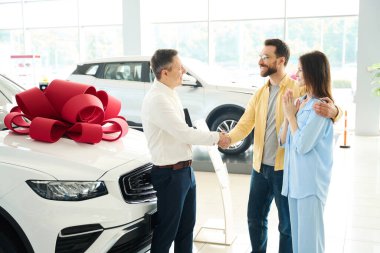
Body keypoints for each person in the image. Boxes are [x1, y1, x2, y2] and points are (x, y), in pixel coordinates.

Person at [219, 39, 341, 253]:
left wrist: (336, 111)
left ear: (281, 60)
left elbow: (324, 104)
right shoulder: (260, 93)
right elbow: (246, 123)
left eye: (266, 57)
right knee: (255, 218)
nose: (260, 61)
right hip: (260, 167)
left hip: (284, 169)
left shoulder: (298, 88)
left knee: (288, 226)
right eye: (261, 56)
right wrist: (227, 138)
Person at [141, 49, 229, 253]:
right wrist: (217, 137)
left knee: (186, 229)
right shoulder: (157, 99)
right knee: (167, 231)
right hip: (170, 174)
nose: (184, 71)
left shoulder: (169, 93)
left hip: (184, 172)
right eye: (179, 68)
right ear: (164, 72)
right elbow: (184, 133)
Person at [280, 51, 334, 253]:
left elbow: (303, 145)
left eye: (301, 69)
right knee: (299, 244)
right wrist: (288, 116)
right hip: (294, 183)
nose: (297, 73)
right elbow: (283, 140)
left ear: (312, 72)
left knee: (310, 244)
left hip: (310, 185)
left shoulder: (321, 107)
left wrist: (291, 117)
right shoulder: (300, 101)